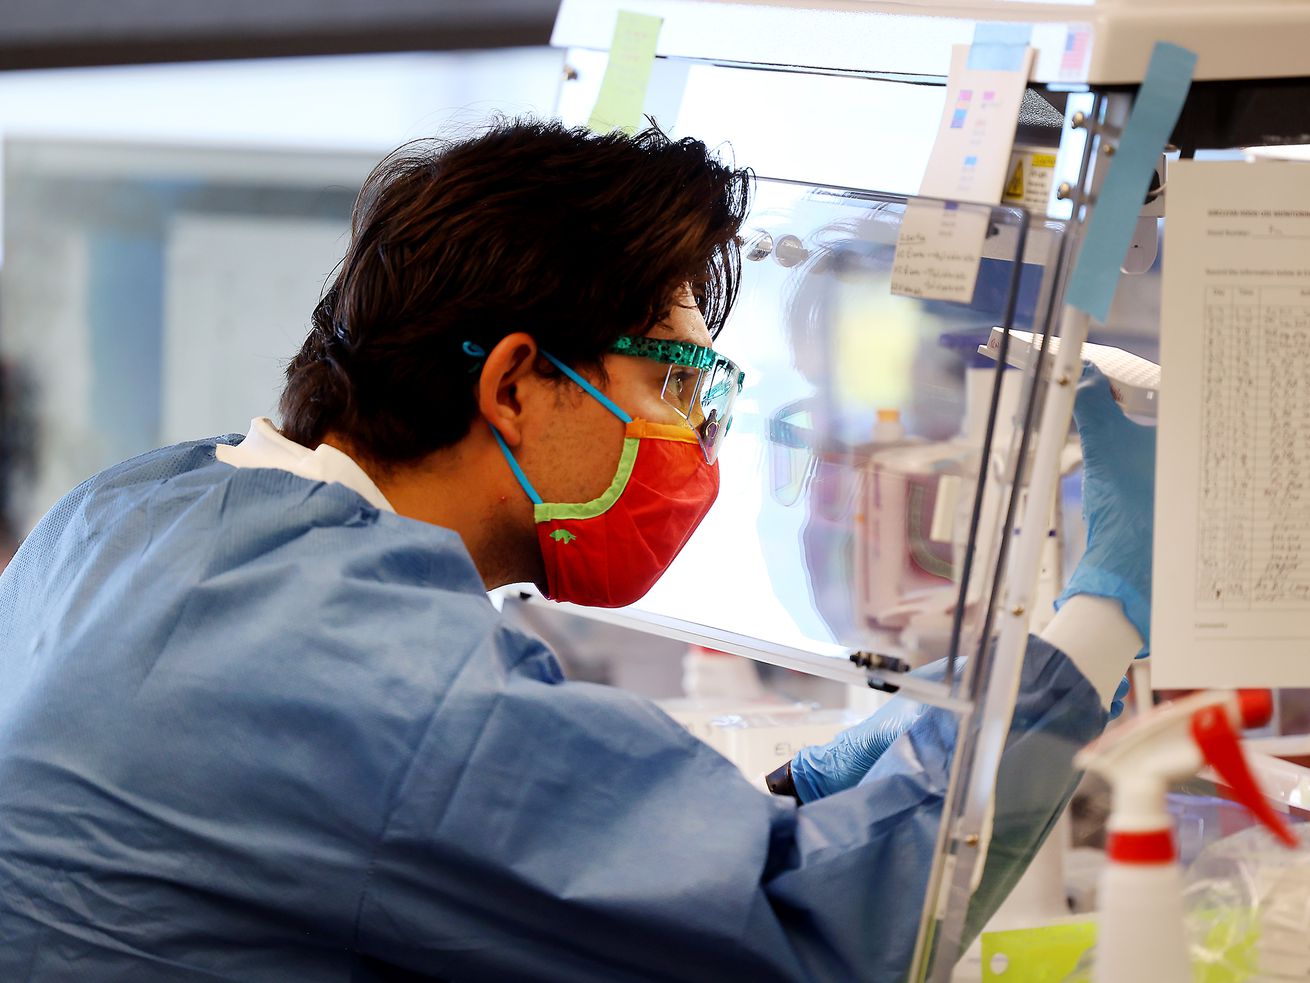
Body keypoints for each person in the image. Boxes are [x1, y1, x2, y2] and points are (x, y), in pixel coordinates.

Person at [0, 119, 1154, 981]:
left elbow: (415, 831)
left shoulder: (132, 511)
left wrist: (796, 793)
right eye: (670, 384)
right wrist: (1099, 610)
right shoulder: (366, 659)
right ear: (514, 385)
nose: (693, 438)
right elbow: (812, 942)